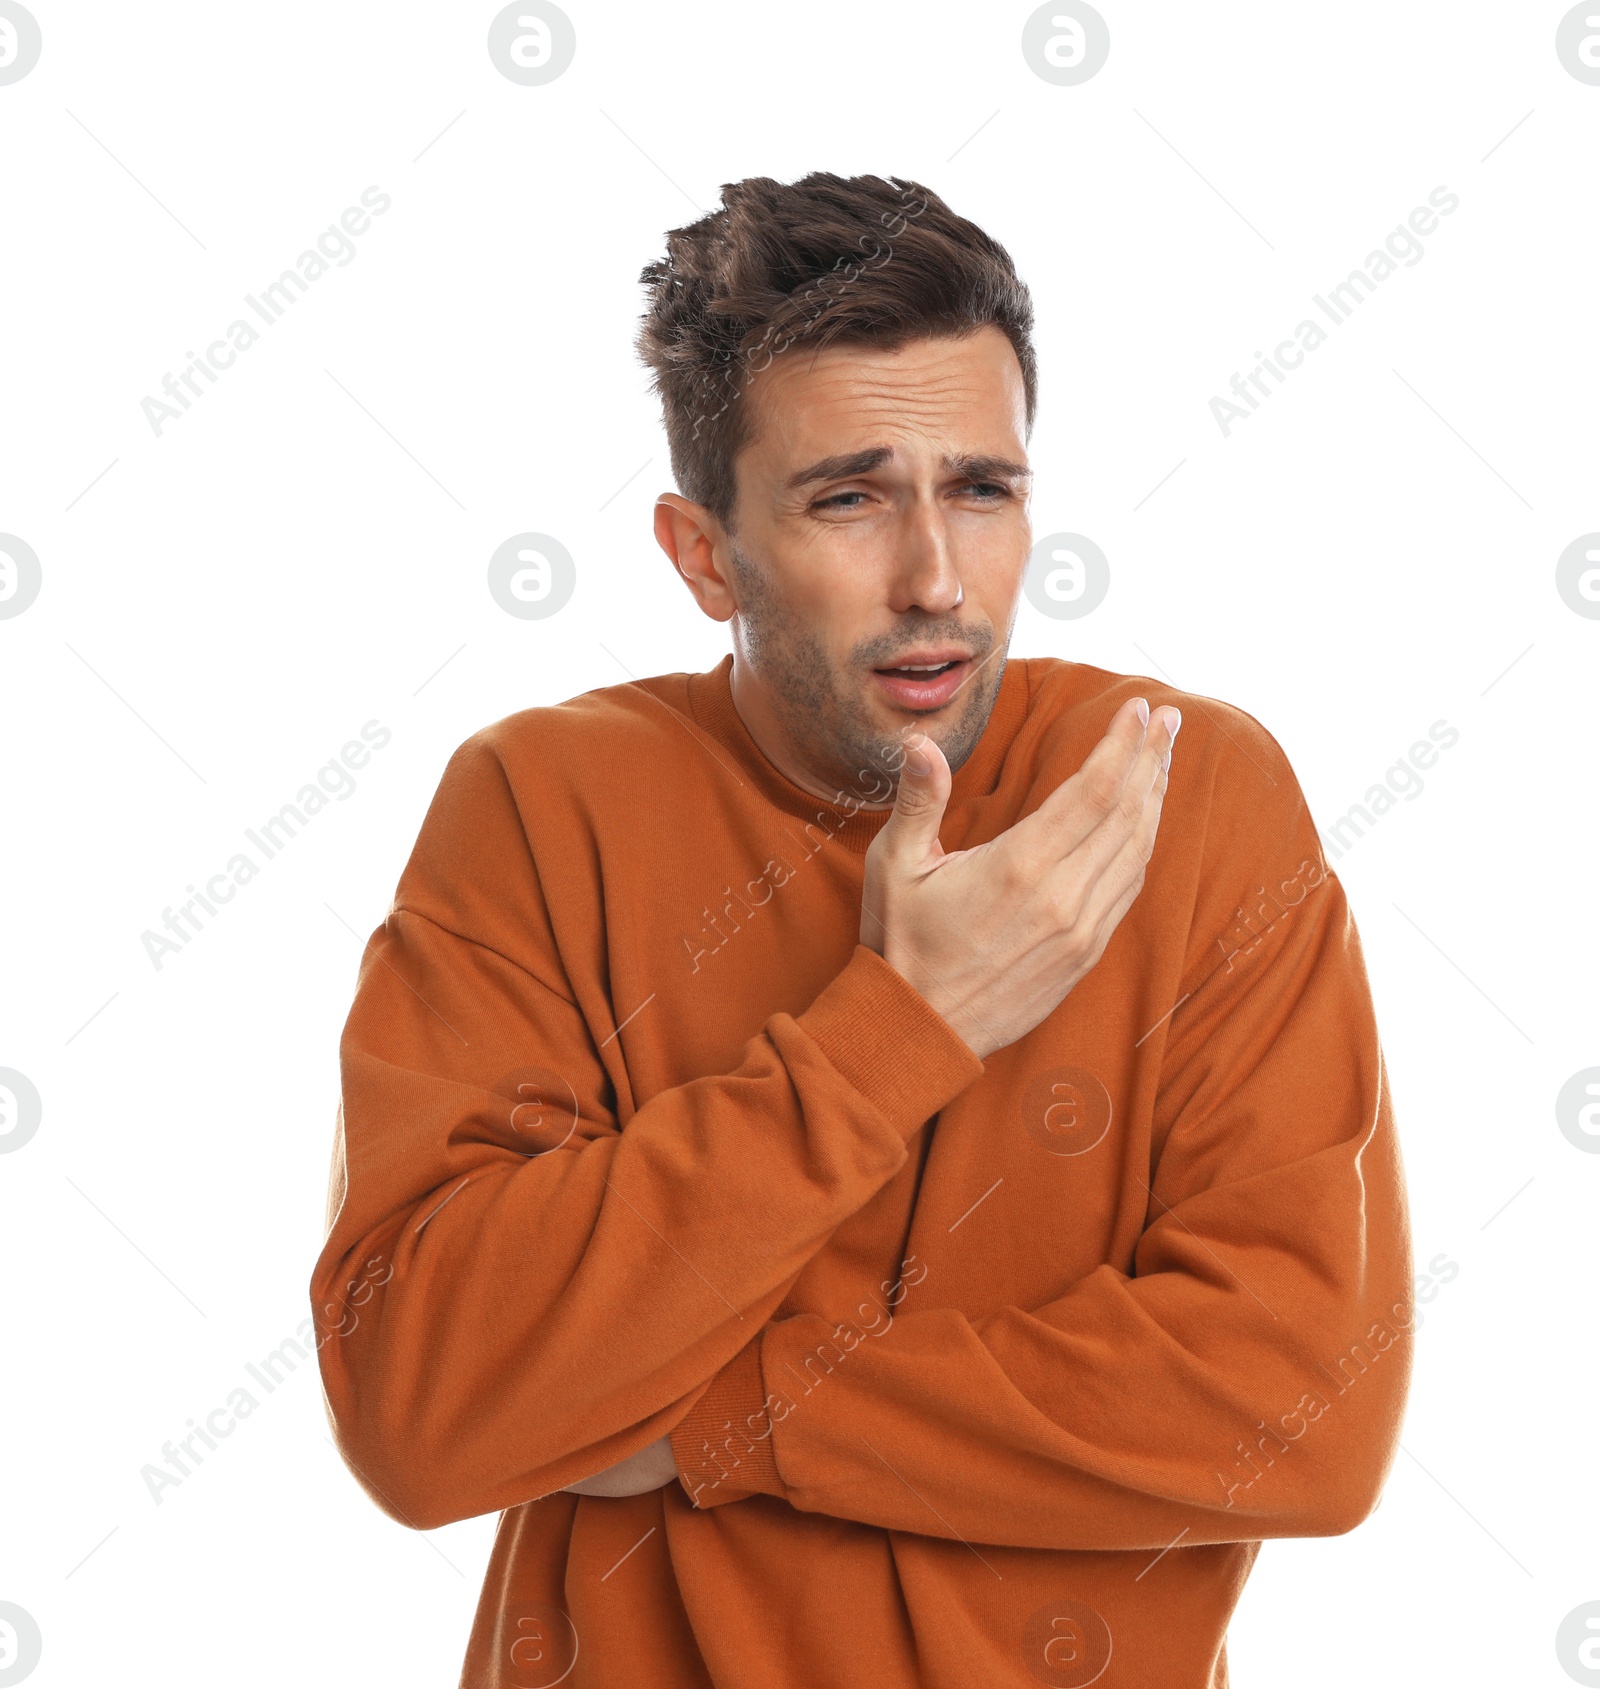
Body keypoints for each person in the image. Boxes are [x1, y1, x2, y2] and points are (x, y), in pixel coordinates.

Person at [311, 172, 1412, 1689]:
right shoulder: (537, 804)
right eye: (848, 496)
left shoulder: (1181, 795)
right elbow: (422, 1408)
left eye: (982, 488)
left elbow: (1302, 1411)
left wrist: (718, 1416)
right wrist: (907, 1027)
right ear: (704, 555)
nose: (937, 581)